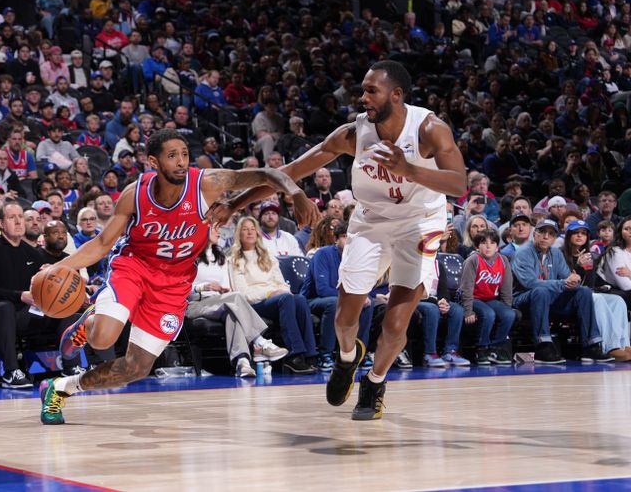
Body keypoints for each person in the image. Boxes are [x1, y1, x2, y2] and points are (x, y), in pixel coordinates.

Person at [209, 61, 466, 420]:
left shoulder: (429, 129)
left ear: (396, 94)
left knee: (395, 324)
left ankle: (375, 381)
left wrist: (407, 169)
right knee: (345, 319)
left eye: (370, 91)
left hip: (419, 224)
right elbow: (288, 172)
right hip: (371, 221)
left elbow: (459, 184)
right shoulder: (353, 134)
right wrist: (235, 203)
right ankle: (348, 358)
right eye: (361, 90)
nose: (362, 98)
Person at [38, 129, 317, 425]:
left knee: (137, 368)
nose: (182, 162)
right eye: (172, 156)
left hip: (174, 283)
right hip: (135, 267)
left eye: (184, 154)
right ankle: (91, 322)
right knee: (104, 336)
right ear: (153, 162)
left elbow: (267, 173)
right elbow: (102, 243)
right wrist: (62, 267)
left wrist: (296, 193)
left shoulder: (207, 184)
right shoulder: (135, 193)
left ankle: (62, 388)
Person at [0, 202, 83, 389]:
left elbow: (38, 288)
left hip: (18, 314)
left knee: (65, 311)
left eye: (21, 217)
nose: (19, 221)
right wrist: (21, 295)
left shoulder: (32, 253)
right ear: (1, 223)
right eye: (12, 218)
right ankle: (11, 372)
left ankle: (72, 368)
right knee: (5, 307)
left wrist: (47, 277)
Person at [186, 224, 288, 377]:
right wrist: (202, 287)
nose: (218, 232)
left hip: (220, 301)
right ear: (202, 231)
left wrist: (223, 289)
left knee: (233, 314)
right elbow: (180, 288)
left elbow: (227, 286)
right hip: (196, 304)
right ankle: (260, 342)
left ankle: (243, 363)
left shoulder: (220, 256)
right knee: (235, 300)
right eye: (214, 228)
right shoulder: (188, 256)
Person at [512, 219, 612, 364]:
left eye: (551, 234)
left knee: (583, 292)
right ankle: (543, 346)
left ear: (554, 239)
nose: (546, 236)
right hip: (524, 300)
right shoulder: (523, 253)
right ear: (535, 234)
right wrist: (563, 283)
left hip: (550, 299)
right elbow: (530, 283)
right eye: (542, 232)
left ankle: (591, 346)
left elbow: (566, 278)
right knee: (540, 291)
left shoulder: (555, 254)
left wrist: (575, 278)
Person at [228, 217, 319, 374]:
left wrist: (283, 291)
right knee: (286, 299)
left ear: (257, 232)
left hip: (278, 299)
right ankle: (294, 356)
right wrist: (270, 292)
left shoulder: (268, 256)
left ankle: (310, 355)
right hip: (254, 305)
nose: (249, 232)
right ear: (239, 234)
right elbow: (243, 294)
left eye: (252, 228)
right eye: (245, 229)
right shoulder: (235, 259)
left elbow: (281, 283)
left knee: (299, 299)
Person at [301, 220, 372, 371]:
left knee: (367, 303)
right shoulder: (322, 254)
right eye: (346, 237)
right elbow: (323, 290)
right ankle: (325, 354)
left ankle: (358, 353)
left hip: (339, 299)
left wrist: (359, 298)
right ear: (335, 239)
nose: (350, 242)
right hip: (312, 301)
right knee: (334, 303)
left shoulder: (357, 259)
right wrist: (352, 299)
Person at [563, 220, 631, 360]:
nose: (580, 236)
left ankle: (624, 344)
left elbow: (590, 284)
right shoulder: (560, 255)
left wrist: (588, 269)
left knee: (617, 300)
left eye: (583, 233)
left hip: (587, 293)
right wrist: (579, 266)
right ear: (568, 235)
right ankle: (611, 346)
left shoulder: (591, 256)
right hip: (568, 296)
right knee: (597, 298)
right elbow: (565, 281)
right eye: (576, 233)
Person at [459, 230, 516, 365]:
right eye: (484, 243)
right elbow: (466, 288)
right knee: (488, 314)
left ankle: (496, 348)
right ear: (477, 247)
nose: (488, 246)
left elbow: (506, 290)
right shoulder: (473, 260)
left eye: (492, 243)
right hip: (473, 298)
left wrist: (504, 309)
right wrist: (468, 311)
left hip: (491, 299)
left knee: (509, 314)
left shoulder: (503, 261)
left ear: (497, 247)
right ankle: (481, 348)